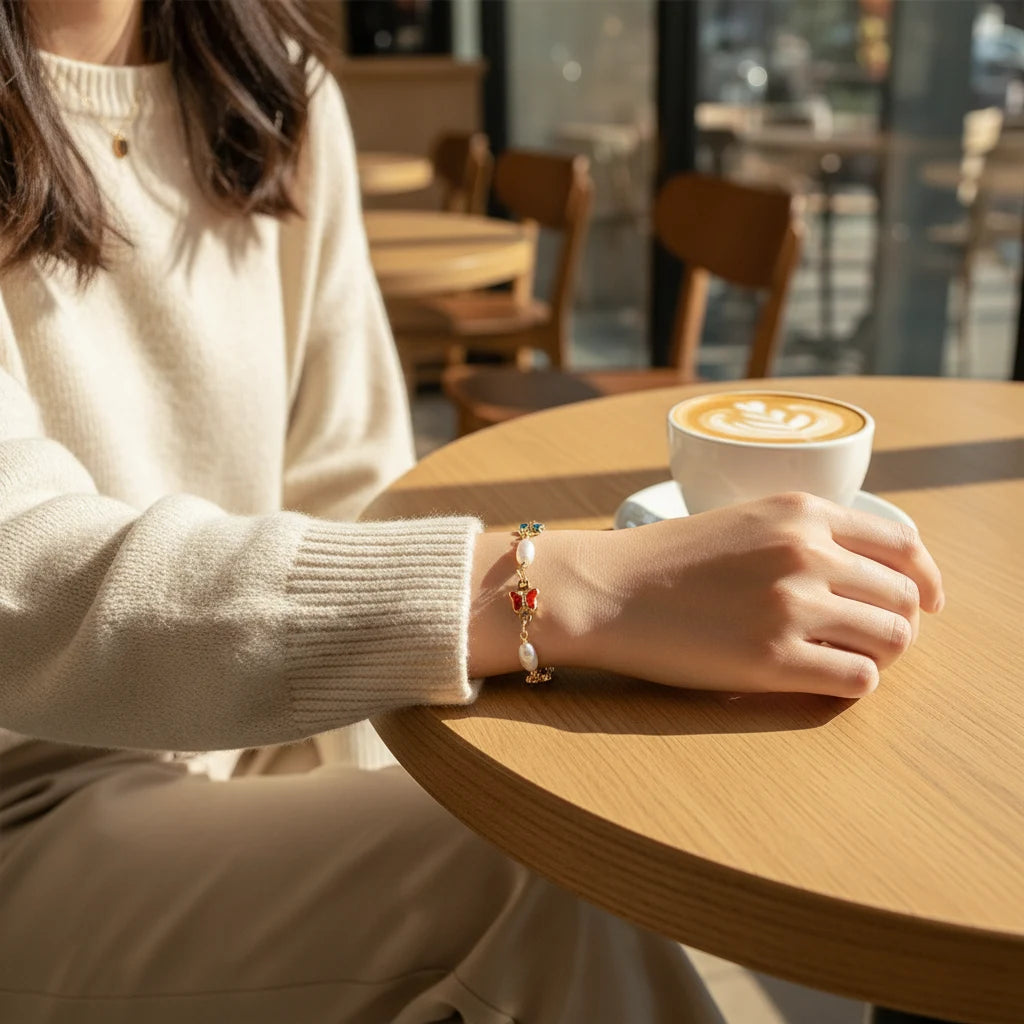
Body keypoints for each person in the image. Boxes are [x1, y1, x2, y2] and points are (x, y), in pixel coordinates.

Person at [0, 1, 944, 1022]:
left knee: (564, 848)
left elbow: (342, 483)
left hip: (253, 731)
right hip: (32, 803)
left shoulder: (276, 91)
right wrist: (552, 587)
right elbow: (24, 571)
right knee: (534, 894)